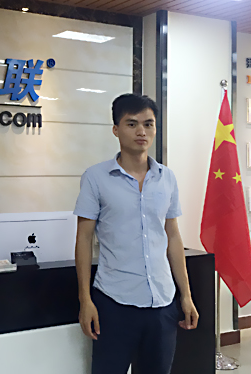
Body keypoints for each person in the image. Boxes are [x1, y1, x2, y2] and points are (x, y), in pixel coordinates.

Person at [74, 93, 199, 374]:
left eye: (148, 124)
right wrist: (85, 300)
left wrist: (186, 295)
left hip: (163, 302)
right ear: (116, 129)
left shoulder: (167, 178)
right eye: (132, 124)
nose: (141, 131)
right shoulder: (96, 177)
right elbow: (83, 239)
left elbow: (173, 237)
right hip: (114, 302)